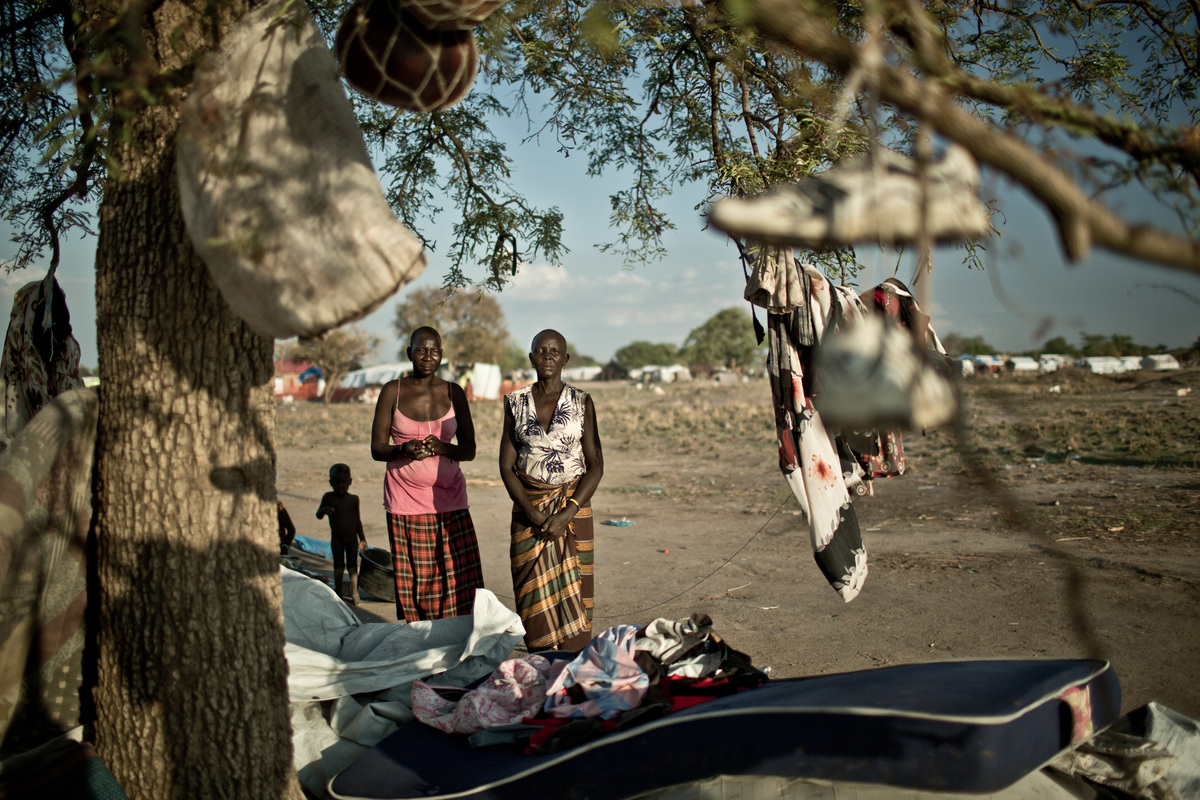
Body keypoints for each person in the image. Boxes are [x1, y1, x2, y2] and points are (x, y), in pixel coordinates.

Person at [500, 329, 603, 652]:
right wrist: (532, 512)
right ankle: (542, 669)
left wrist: (567, 511)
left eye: (554, 351)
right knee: (532, 598)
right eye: (540, 350)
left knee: (576, 592)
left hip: (573, 511)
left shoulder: (582, 401)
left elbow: (596, 464)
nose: (547, 356)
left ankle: (572, 673)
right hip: (529, 511)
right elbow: (506, 465)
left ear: (565, 359)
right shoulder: (515, 403)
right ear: (531, 357)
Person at [371, 326, 484, 621]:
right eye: (421, 349)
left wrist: (444, 449)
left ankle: (456, 639)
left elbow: (469, 449)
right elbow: (376, 448)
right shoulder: (392, 391)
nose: (427, 356)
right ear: (409, 353)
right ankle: (423, 643)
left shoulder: (453, 392)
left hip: (450, 499)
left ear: (442, 355)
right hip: (405, 499)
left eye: (434, 350)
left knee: (457, 576)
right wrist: (402, 450)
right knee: (419, 581)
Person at [316, 463, 367, 605]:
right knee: (338, 566)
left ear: (350, 482)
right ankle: (338, 595)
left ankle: (355, 594)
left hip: (351, 538)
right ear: (331, 483)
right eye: (337, 483)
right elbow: (318, 515)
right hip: (336, 538)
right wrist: (324, 510)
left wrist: (362, 538)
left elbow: (357, 520)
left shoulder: (353, 499)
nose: (340, 486)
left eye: (344, 483)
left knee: (352, 566)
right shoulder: (328, 498)